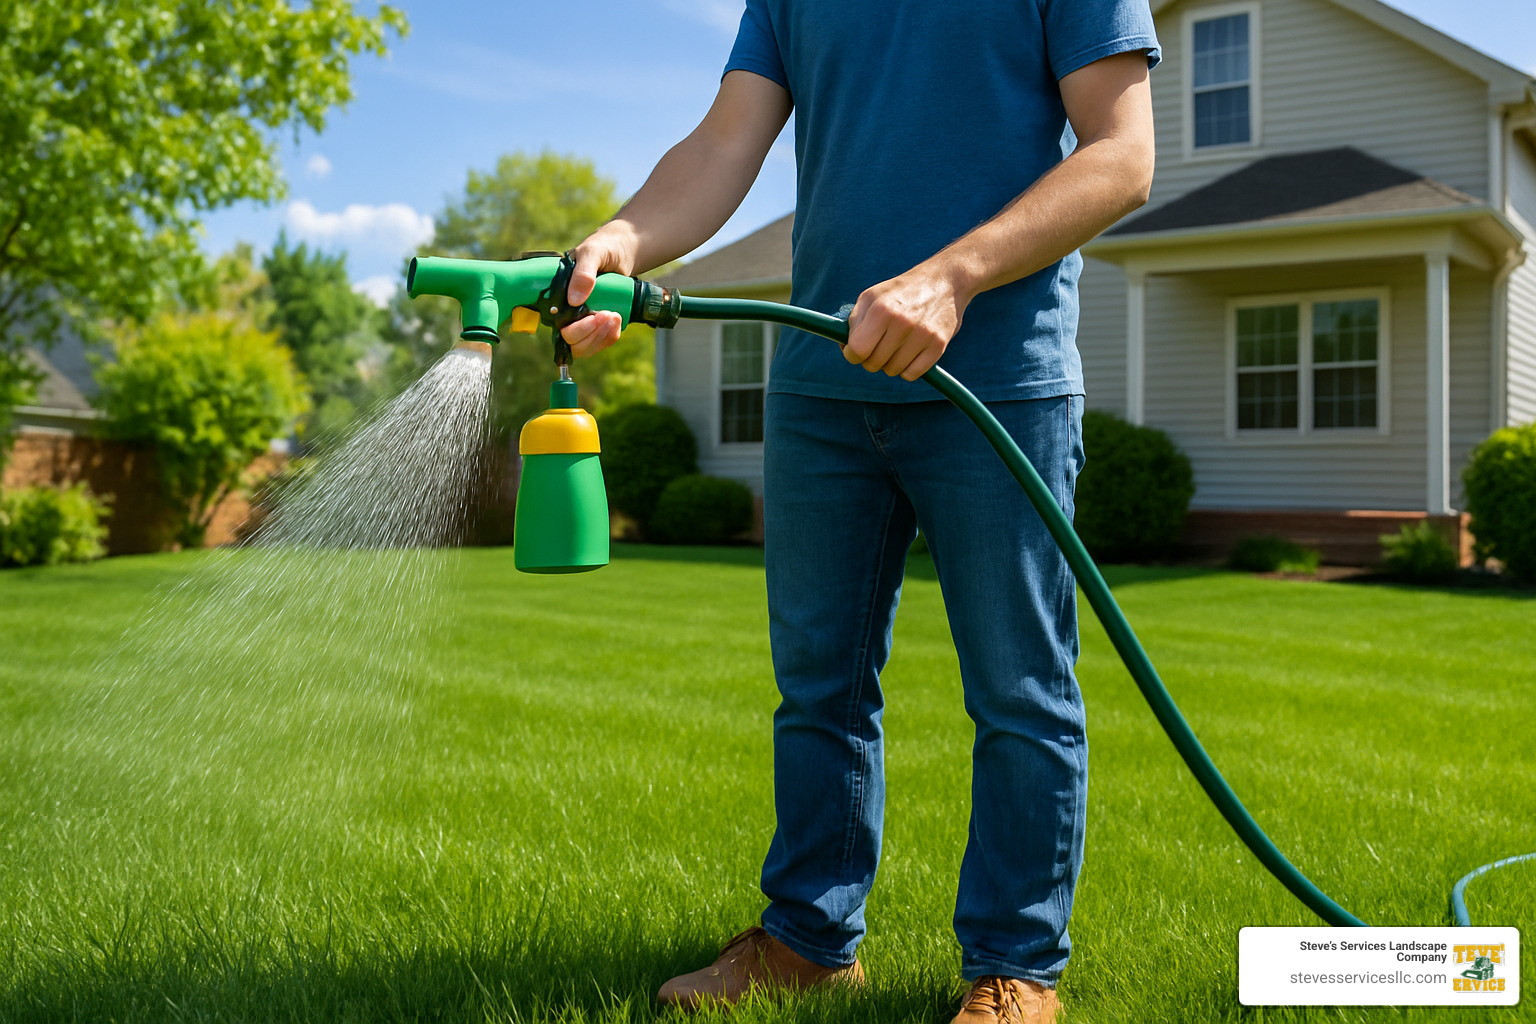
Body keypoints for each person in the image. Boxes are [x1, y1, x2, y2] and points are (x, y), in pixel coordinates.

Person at [562, 3, 1158, 1021]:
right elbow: (723, 144)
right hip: (820, 385)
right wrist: (627, 233)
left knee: (1020, 689)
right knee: (819, 690)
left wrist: (952, 274)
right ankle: (807, 941)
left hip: (999, 383)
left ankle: (1015, 969)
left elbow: (1122, 156)